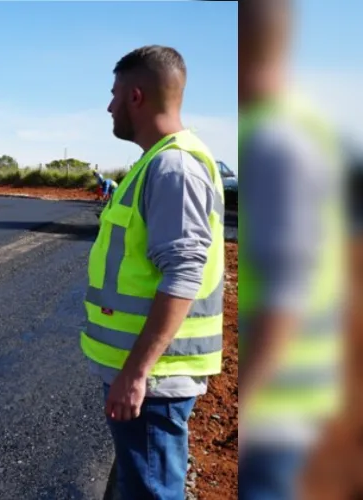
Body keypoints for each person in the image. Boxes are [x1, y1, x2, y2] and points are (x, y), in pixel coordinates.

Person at [82, 45, 226, 500]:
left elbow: (183, 274)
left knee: (150, 492)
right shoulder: (156, 162)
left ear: (137, 97)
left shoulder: (173, 167)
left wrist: (137, 372)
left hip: (155, 382)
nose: (109, 106)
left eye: (114, 94)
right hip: (149, 377)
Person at [237, 0, 345, 498]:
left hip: (279, 405)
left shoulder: (276, 141)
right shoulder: (298, 128)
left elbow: (285, 291)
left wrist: (249, 400)